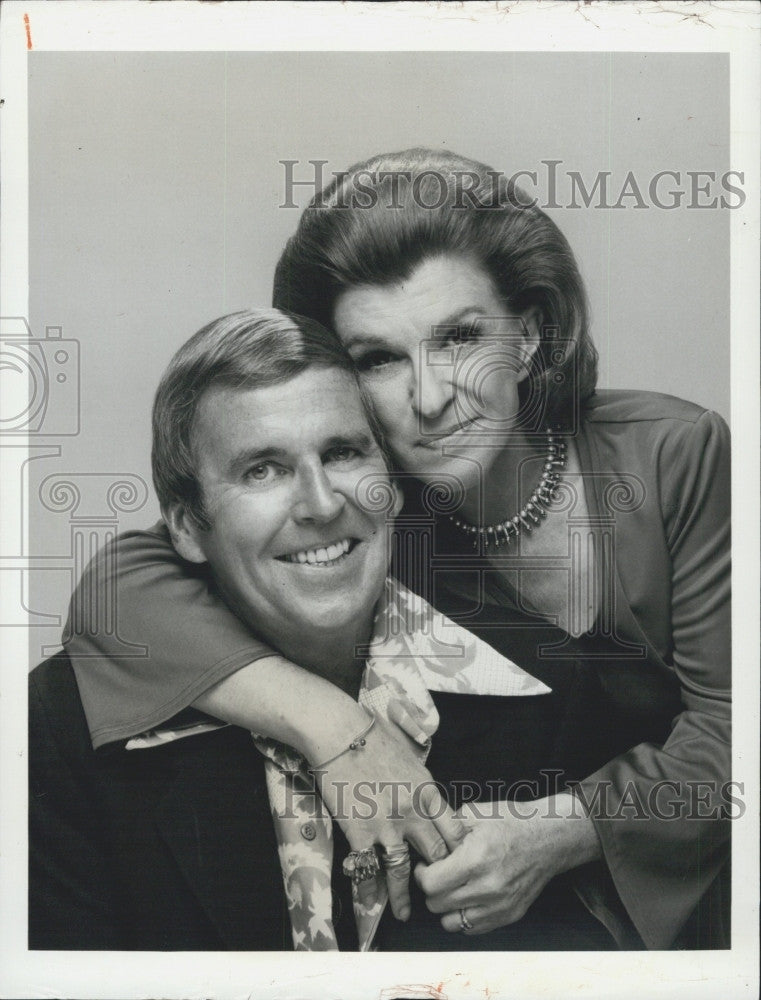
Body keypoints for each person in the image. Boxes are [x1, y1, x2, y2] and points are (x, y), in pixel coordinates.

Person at [63, 149, 731, 950]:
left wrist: (559, 831)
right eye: (378, 358)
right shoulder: (371, 506)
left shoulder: (669, 455)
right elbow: (124, 586)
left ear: (529, 334)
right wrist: (330, 725)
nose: (428, 395)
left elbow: (741, 731)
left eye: (459, 338)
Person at [32, 308, 616, 952]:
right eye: (263, 469)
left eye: (342, 453)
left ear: (391, 486)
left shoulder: (544, 690)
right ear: (187, 528)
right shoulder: (57, 727)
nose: (319, 504)